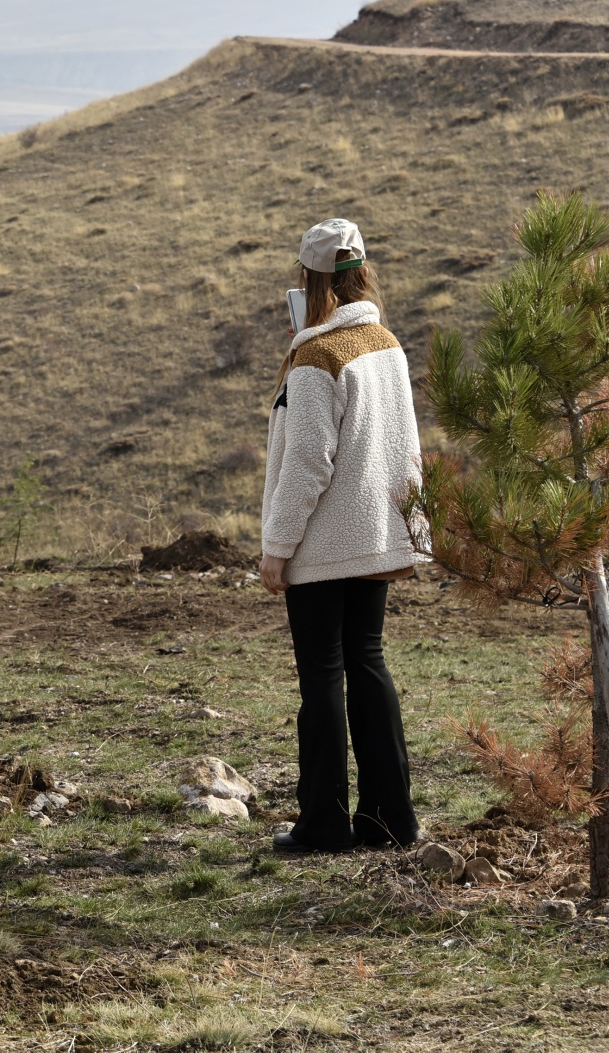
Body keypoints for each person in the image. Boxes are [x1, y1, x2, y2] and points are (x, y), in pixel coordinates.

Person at [260, 218, 428, 853]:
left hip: (322, 545)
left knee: (322, 682)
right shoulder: (384, 342)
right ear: (361, 274)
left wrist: (278, 547)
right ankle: (392, 820)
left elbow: (307, 462)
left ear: (312, 278)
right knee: (368, 663)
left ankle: (323, 824)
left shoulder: (316, 355)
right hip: (375, 536)